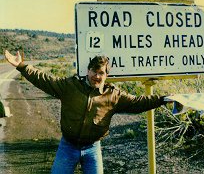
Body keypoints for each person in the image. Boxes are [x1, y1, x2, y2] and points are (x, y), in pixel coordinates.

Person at [4, 50, 168, 174]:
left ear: (106, 75)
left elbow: (138, 103)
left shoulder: (113, 95)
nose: (97, 76)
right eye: (94, 71)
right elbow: (44, 79)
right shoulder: (70, 86)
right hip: (68, 146)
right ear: (88, 71)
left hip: (92, 148)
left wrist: (163, 99)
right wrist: (21, 66)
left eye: (101, 73)